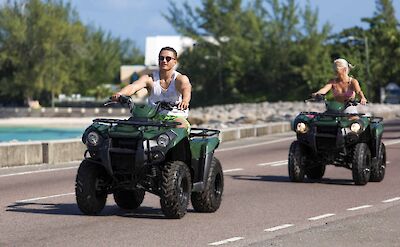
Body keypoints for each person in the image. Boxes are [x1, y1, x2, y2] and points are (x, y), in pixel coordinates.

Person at [112, 46, 192, 130]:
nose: (164, 61)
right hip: (152, 117)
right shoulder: (150, 78)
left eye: (168, 58)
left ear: (175, 61)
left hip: (175, 116)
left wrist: (185, 101)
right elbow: (133, 86)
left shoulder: (179, 78)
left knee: (181, 127)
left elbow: (186, 87)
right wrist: (120, 94)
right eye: (161, 58)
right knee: (127, 128)